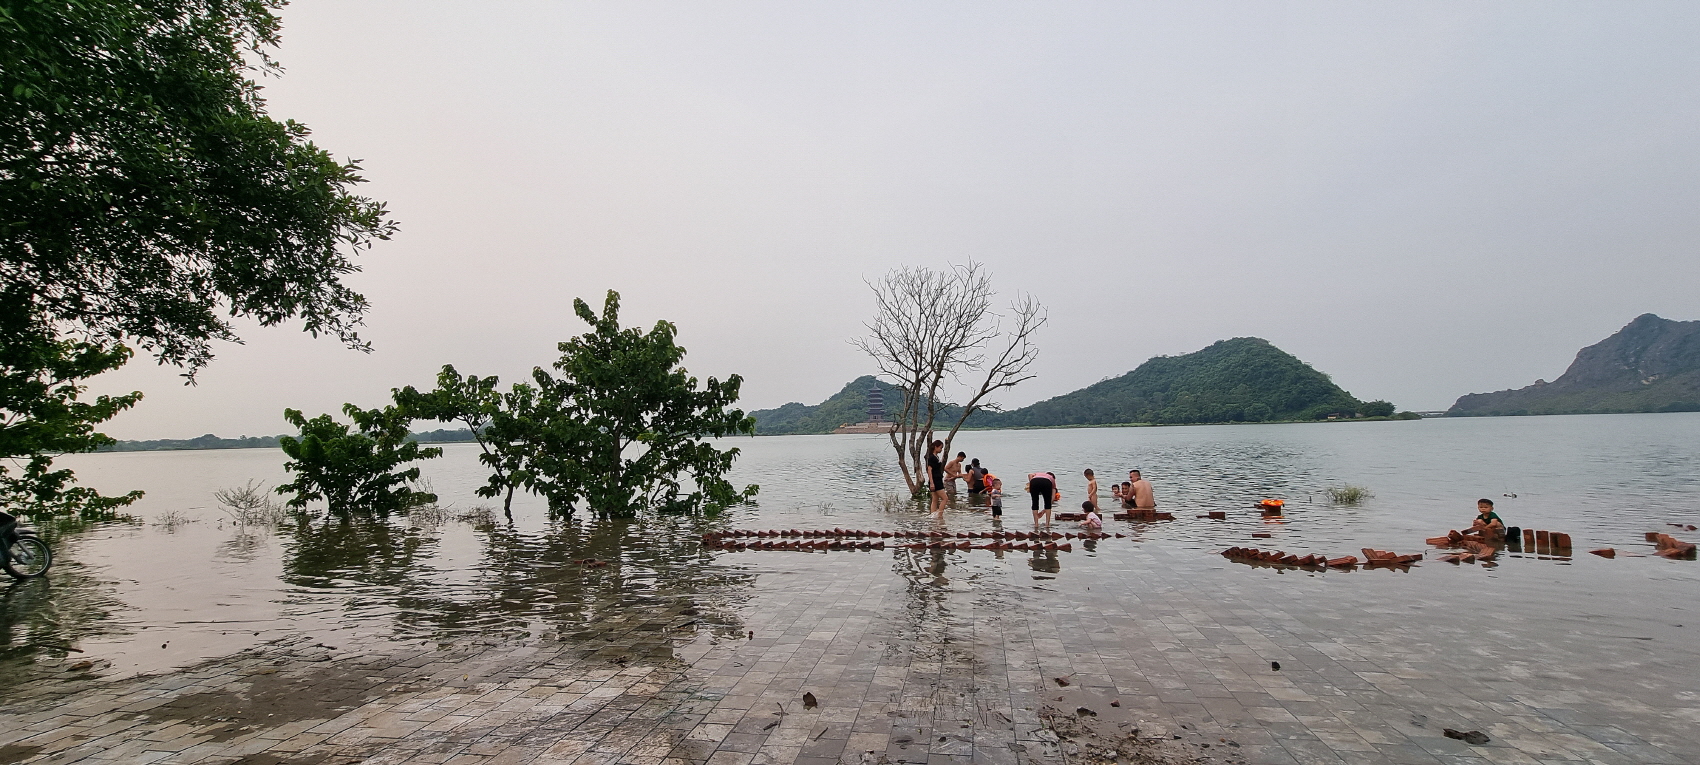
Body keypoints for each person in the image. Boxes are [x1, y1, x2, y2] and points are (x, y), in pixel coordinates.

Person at [925, 440, 946, 518]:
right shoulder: (931, 458)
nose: (941, 450)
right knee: (945, 498)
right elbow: (929, 470)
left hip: (938, 479)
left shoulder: (936, 457)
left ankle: (933, 515)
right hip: (935, 480)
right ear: (935, 447)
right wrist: (931, 482)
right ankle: (939, 514)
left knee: (935, 498)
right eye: (940, 448)